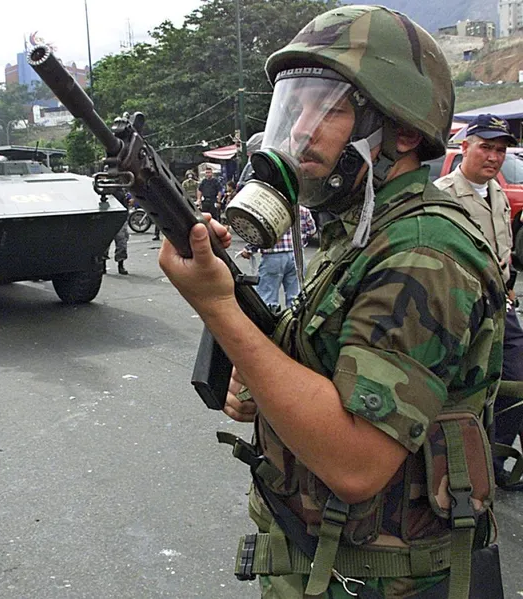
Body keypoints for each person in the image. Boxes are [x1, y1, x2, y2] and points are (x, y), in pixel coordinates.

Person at [159, 6, 507, 597]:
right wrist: (264, 386)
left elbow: (355, 462)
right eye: (294, 109)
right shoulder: (364, 230)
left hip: (378, 582)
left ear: (401, 130)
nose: (299, 131)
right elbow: (328, 374)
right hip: (328, 564)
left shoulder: (422, 252)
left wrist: (217, 306)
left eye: (330, 109)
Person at [435, 114, 523, 491]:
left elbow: (501, 250)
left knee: (514, 381)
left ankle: (494, 458)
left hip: (499, 309)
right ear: (465, 147)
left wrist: (507, 286)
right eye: (486, 147)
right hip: (461, 311)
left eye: (501, 150)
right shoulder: (443, 194)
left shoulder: (498, 194)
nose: (494, 156)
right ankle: (456, 467)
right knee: (463, 390)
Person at [239, 205, 316, 311]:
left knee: (267, 297)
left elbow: (260, 235)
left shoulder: (268, 210)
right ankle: (293, 323)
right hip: (297, 256)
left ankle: (269, 323)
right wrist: (301, 240)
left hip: (273, 257)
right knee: (296, 296)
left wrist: (249, 249)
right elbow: (312, 231)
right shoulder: (302, 210)